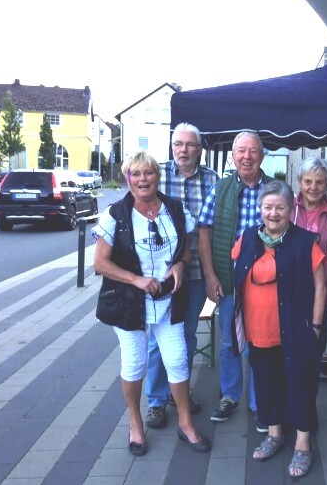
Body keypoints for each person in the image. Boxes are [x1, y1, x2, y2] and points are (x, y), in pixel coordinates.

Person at [93, 151, 210, 456]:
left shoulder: (174, 208)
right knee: (135, 364)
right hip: (129, 304)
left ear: (158, 177)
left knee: (177, 360)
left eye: (149, 173)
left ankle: (185, 424)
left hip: (168, 302)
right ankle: (135, 424)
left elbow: (186, 244)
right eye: (136, 174)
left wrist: (181, 265)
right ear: (127, 178)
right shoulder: (115, 215)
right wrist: (136, 280)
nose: (143, 179)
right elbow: (100, 264)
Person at [232, 180, 326, 478]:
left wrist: (315, 327)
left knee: (300, 385)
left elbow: (321, 287)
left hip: (295, 330)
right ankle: (274, 434)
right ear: (260, 209)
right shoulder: (248, 237)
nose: (273, 213)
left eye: (280, 207)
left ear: (290, 209)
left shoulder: (305, 241)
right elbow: (237, 273)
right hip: (258, 331)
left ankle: (302, 444)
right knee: (266, 384)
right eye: (268, 207)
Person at [144, 123, 219, 429]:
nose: (184, 150)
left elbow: (212, 227)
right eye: (179, 144)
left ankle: (179, 391)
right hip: (160, 274)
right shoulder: (156, 175)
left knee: (186, 336)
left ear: (200, 149)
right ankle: (156, 401)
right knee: (157, 338)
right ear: (172, 146)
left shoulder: (213, 179)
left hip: (198, 272)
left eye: (190, 144)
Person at [198, 131, 274, 428]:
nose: (246, 156)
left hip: (266, 283)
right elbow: (204, 229)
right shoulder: (221, 189)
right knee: (229, 341)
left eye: (252, 151)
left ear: (261, 155)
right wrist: (210, 275)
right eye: (240, 151)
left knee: (260, 341)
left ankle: (258, 401)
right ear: (232, 155)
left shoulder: (275, 189)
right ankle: (230, 395)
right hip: (228, 280)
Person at [292, 157, 327, 377]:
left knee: (315, 342)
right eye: (308, 181)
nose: (313, 187)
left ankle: (309, 394)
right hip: (292, 288)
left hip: (322, 291)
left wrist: (320, 280)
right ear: (299, 181)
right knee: (292, 343)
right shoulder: (289, 206)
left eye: (320, 182)